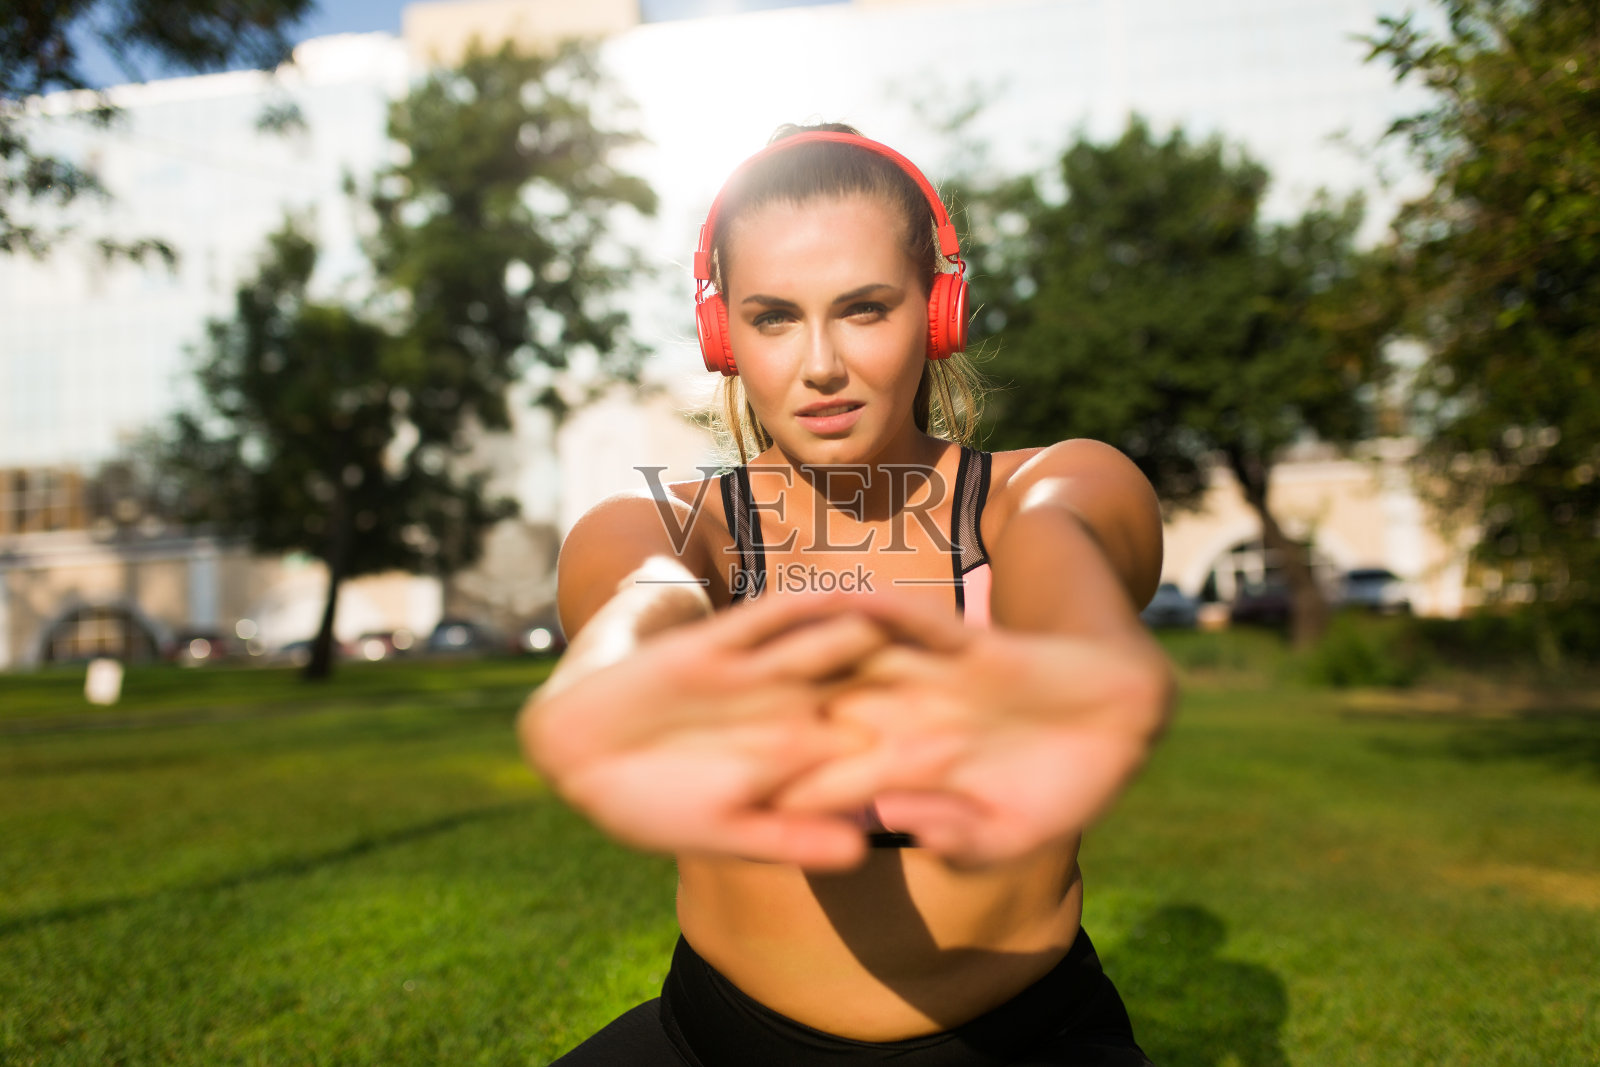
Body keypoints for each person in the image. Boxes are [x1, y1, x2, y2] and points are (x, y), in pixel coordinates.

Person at [518, 123, 1174, 1066]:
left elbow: (1069, 548)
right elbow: (637, 584)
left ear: (937, 312)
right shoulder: (680, 520)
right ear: (724, 336)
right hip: (718, 1042)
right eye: (774, 316)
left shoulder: (1047, 489)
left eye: (864, 308)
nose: (820, 362)